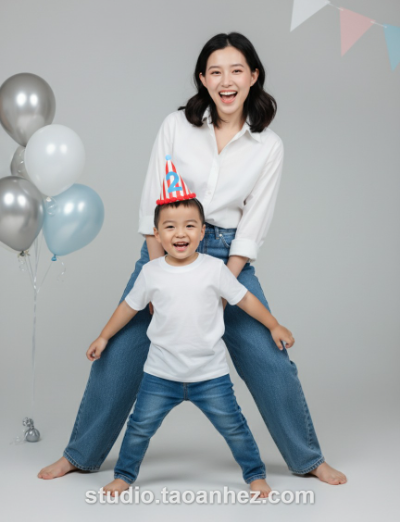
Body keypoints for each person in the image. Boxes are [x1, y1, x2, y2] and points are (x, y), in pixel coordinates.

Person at [38, 32, 346, 485]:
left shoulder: (268, 146)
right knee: (118, 353)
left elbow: (252, 227)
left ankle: (308, 458)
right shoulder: (176, 126)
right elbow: (152, 206)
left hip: (227, 257)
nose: (226, 81)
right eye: (215, 72)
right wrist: (157, 276)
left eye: (236, 70)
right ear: (203, 78)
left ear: (253, 76)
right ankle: (79, 454)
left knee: (270, 359)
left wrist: (220, 287)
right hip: (165, 250)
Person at [87, 168, 294, 498]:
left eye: (189, 226)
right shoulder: (151, 272)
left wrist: (273, 325)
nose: (180, 233)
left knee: (235, 427)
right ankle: (124, 476)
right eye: (170, 227)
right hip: (160, 374)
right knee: (139, 428)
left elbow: (245, 299)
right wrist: (103, 336)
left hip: (210, 375)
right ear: (157, 234)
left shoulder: (215, 269)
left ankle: (255, 475)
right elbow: (127, 307)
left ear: (202, 232)